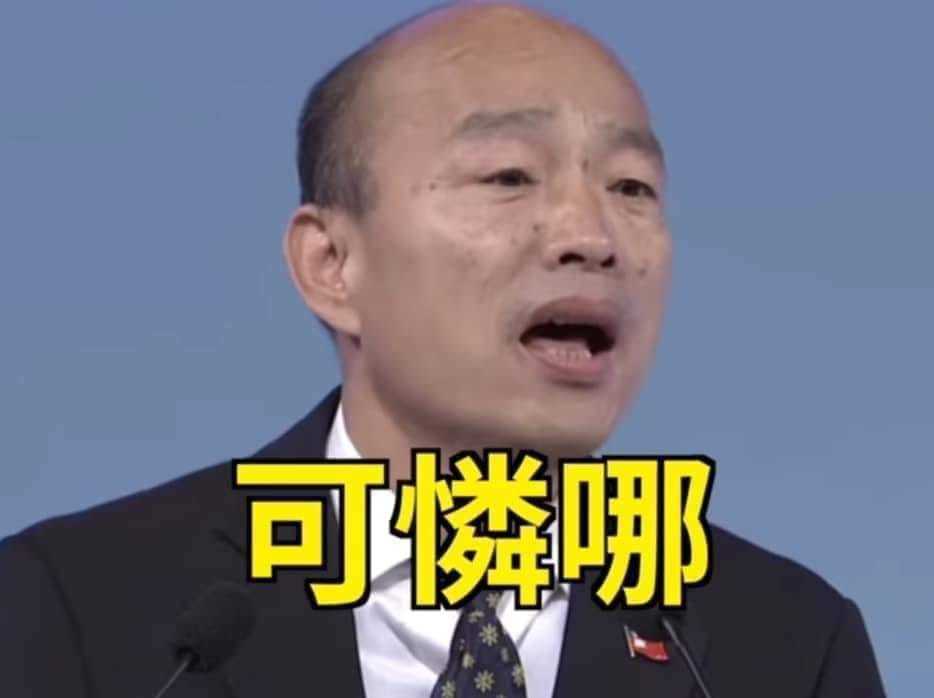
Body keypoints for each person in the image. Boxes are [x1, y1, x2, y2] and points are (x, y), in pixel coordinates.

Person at [0, 2, 886, 696]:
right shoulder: (80, 609)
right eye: (509, 176)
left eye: (631, 187)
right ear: (332, 265)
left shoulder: (786, 644)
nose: (592, 236)